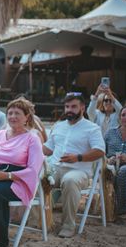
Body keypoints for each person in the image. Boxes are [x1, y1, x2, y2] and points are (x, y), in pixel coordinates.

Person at [0, 98, 44, 247]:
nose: (12, 116)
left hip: (18, 180)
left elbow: (33, 170)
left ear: (27, 117)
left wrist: (7, 176)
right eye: (10, 113)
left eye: (17, 113)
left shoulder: (32, 138)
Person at [43, 93, 105, 238]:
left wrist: (78, 157)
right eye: (67, 106)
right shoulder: (58, 126)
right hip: (55, 167)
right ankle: (39, 220)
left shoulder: (92, 128)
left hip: (78, 171)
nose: (69, 110)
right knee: (38, 176)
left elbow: (100, 151)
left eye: (73, 106)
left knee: (70, 180)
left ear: (82, 108)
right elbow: (47, 149)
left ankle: (68, 226)